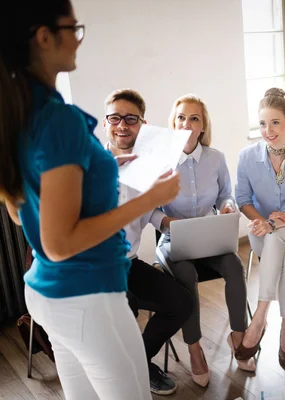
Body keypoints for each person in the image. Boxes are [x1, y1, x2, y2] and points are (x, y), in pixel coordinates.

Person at [0, 2, 180, 399]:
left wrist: (103, 165)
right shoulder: (58, 119)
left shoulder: (18, 111)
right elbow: (60, 243)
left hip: (48, 294)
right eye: (73, 28)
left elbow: (19, 212)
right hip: (86, 294)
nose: (79, 39)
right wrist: (151, 197)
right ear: (45, 37)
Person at [156, 94, 252, 386]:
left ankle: (239, 336)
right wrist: (166, 221)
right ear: (174, 123)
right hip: (173, 241)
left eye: (194, 118)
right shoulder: (161, 160)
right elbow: (151, 207)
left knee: (234, 265)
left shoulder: (216, 158)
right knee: (185, 274)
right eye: (181, 117)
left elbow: (226, 194)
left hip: (208, 238)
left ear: (202, 126)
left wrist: (227, 206)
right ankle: (194, 348)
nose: (187, 123)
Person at [103, 88, 193, 395]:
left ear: (143, 124)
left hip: (129, 262)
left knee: (182, 303)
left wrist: (166, 221)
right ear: (106, 124)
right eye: (115, 118)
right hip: (97, 269)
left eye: (131, 118)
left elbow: (150, 209)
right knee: (124, 305)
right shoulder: (89, 167)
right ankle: (121, 376)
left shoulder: (150, 164)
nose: (122, 125)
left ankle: (139, 362)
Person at [235, 88, 285, 367]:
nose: (268, 131)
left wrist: (272, 223)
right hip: (262, 229)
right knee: (284, 251)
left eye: (275, 123)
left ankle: (259, 318)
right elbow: (243, 200)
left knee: (282, 238)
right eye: (262, 123)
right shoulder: (247, 157)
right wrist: (260, 220)